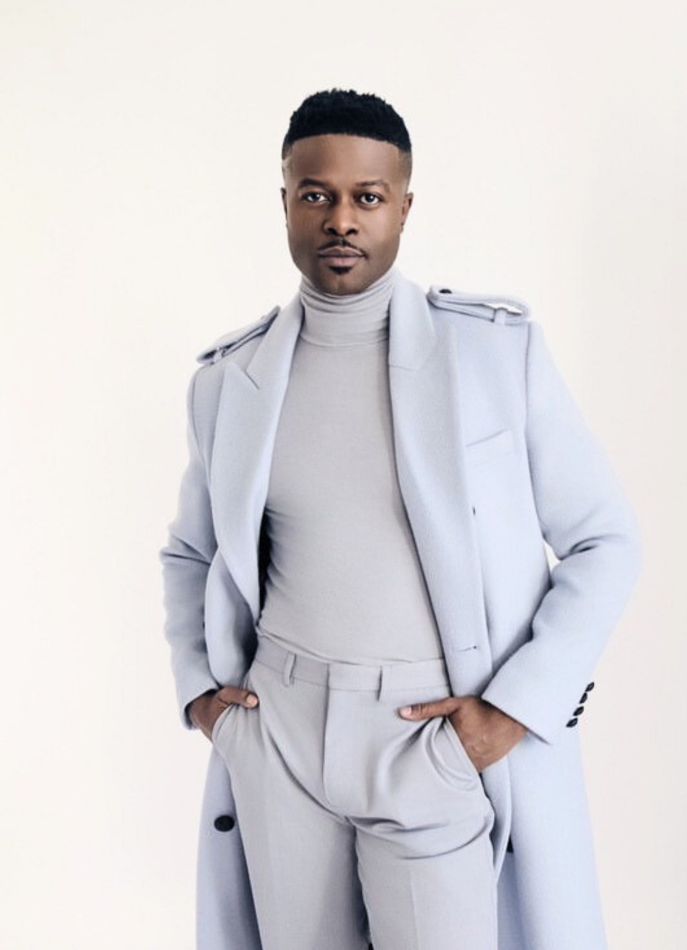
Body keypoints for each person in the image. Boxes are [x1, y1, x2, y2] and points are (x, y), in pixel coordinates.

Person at [159, 88, 642, 950]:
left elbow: (603, 540)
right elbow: (192, 551)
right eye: (316, 194)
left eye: (367, 197)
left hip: (431, 736)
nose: (341, 219)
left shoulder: (491, 351)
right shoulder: (228, 381)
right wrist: (204, 697)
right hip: (280, 735)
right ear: (284, 202)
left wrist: (512, 711)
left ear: (404, 207)